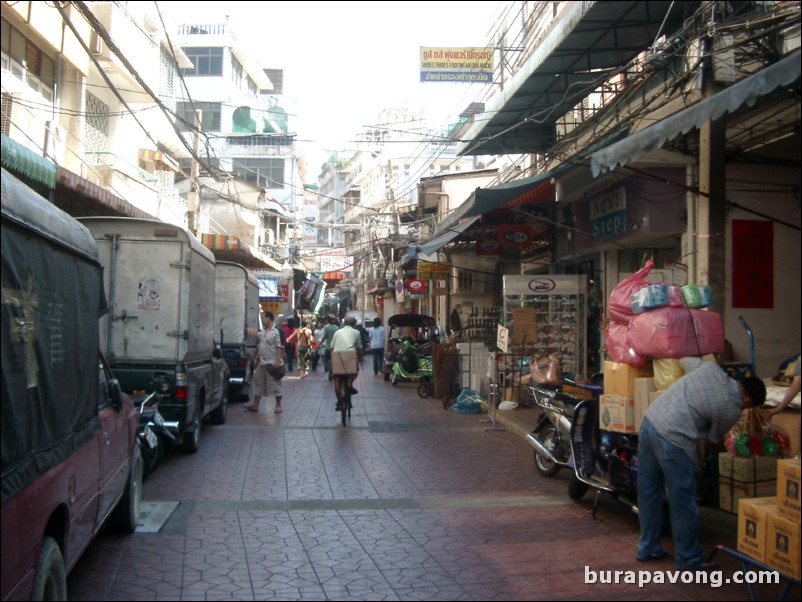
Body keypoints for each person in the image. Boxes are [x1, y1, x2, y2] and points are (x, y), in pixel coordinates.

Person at [636, 357, 766, 570]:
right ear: (747, 401)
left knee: (648, 493)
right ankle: (688, 558)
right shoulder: (732, 409)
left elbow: (682, 361)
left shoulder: (711, 368)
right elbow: (713, 441)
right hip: (674, 439)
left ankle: (647, 548)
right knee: (683, 501)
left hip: (649, 423)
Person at [243, 311, 285, 414]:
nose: (262, 320)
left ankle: (278, 406)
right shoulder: (263, 332)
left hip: (271, 363)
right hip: (262, 363)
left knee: (275, 384)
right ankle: (255, 404)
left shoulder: (277, 331)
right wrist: (256, 358)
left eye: (263, 318)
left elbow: (280, 347)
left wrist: (277, 361)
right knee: (258, 382)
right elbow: (261, 346)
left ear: (269, 318)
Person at [329, 316, 364, 411]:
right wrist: (361, 357)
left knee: (337, 380)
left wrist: (332, 359)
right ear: (354, 324)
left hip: (337, 357)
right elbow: (358, 348)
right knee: (355, 372)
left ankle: (339, 401)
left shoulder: (337, 332)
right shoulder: (356, 332)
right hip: (350, 357)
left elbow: (331, 348)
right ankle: (349, 384)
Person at [319, 316, 340, 381]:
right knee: (332, 361)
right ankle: (330, 376)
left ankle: (331, 369)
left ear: (327, 321)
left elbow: (324, 337)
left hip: (328, 347)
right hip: (335, 347)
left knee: (325, 359)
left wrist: (319, 344)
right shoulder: (337, 328)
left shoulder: (326, 327)